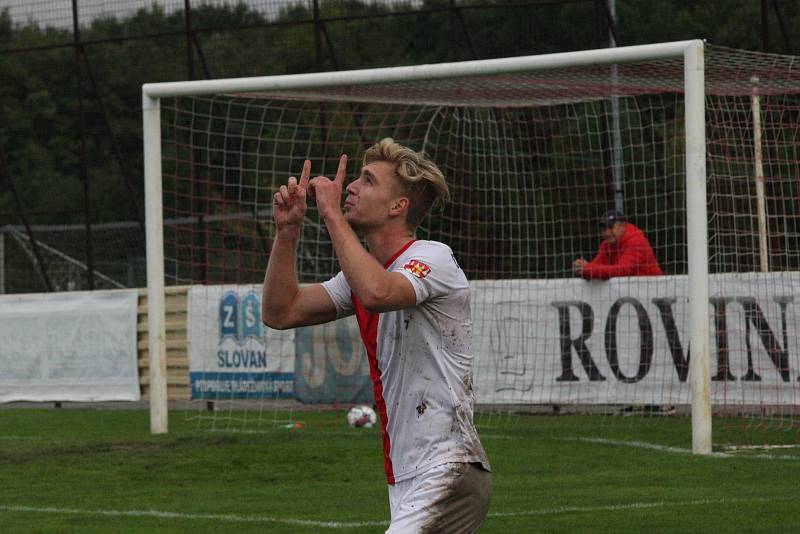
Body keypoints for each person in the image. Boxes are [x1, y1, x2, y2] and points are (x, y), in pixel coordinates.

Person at [262, 138, 492, 533]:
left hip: (447, 467)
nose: (350, 186)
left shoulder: (432, 257)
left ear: (397, 207)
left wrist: (331, 215)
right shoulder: (359, 278)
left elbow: (380, 293)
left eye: (367, 181)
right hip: (407, 475)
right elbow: (280, 312)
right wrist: (288, 232)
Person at [572, 210, 664, 279]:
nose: (607, 233)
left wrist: (588, 269)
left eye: (611, 227)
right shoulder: (607, 244)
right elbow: (596, 267)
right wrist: (581, 267)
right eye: (604, 229)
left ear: (623, 226)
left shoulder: (636, 241)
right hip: (632, 295)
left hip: (655, 293)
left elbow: (622, 270)